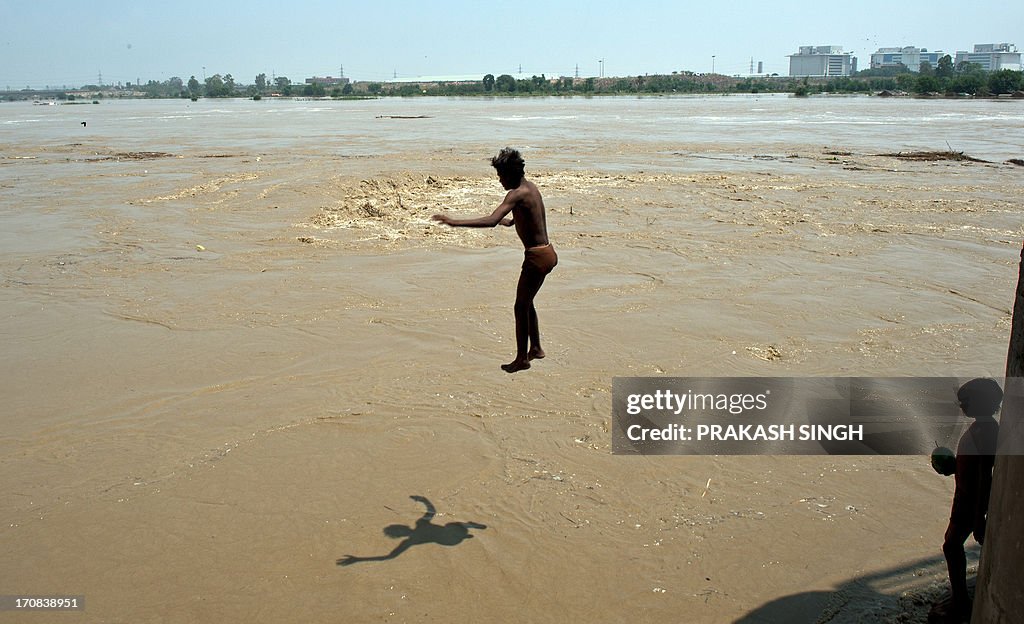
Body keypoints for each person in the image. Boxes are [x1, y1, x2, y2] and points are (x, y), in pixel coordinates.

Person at [432, 148, 557, 373]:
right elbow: (529, 217)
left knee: (520, 307)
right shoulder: (531, 189)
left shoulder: (515, 194)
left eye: (501, 176)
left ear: (511, 174)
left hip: (536, 258)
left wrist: (454, 222)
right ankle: (536, 348)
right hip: (547, 252)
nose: (499, 180)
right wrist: (508, 222)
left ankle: (522, 358)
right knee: (527, 302)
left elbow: (490, 221)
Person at [938, 378, 1001, 620]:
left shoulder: (986, 432)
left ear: (981, 404)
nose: (962, 405)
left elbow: (985, 475)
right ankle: (960, 597)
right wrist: (955, 467)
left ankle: (960, 601)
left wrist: (979, 516)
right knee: (951, 544)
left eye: (966, 401)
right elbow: (976, 467)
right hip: (965, 495)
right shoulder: (983, 428)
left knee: (951, 545)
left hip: (970, 500)